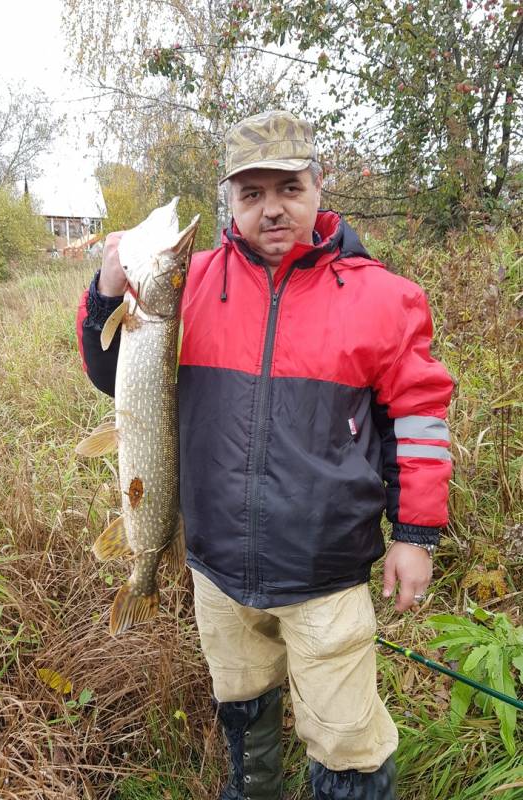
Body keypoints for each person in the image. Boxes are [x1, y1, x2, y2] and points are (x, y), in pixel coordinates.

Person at [76, 110, 453, 800]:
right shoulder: (186, 284)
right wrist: (106, 292)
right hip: (217, 565)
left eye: (288, 187)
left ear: (319, 185)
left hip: (326, 568)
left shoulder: (386, 298)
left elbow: (421, 421)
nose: (271, 208)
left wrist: (416, 535)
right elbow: (115, 379)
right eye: (251, 194)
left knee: (346, 740)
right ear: (230, 202)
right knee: (243, 707)